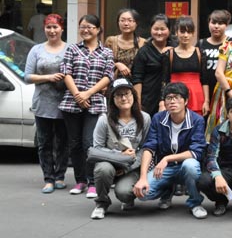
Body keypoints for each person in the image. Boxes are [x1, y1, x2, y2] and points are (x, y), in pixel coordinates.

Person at [133, 82, 208, 219]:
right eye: (169, 98)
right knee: (143, 193)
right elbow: (149, 147)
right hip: (165, 169)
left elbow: (196, 152)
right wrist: (143, 177)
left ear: (186, 101)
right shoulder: (158, 118)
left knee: (190, 166)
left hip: (185, 164)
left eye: (177, 97)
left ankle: (195, 203)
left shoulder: (197, 120)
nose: (172, 101)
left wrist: (167, 158)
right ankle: (167, 190)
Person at [60, 14, 114, 198]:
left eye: (90, 27)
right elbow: (66, 72)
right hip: (71, 102)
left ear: (98, 29)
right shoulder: (72, 49)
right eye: (82, 26)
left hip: (95, 102)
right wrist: (78, 95)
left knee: (89, 143)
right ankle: (80, 180)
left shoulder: (106, 52)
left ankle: (92, 181)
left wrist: (87, 94)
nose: (85, 30)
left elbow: (108, 76)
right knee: (74, 144)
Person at [90, 78, 151, 219]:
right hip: (109, 163)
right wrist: (120, 155)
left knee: (124, 193)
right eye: (118, 95)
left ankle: (128, 197)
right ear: (112, 99)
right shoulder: (104, 120)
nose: (124, 98)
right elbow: (97, 148)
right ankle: (101, 203)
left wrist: (127, 167)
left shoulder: (145, 118)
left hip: (132, 166)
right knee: (103, 169)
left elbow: (146, 148)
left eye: (127, 93)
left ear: (133, 95)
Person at [24, 13, 69, 193]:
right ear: (44, 29)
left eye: (55, 27)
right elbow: (27, 76)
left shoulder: (70, 49)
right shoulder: (36, 50)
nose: (52, 31)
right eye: (48, 27)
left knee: (63, 142)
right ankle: (48, 178)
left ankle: (60, 176)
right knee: (45, 143)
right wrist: (48, 77)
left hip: (65, 103)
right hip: (42, 103)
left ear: (62, 29)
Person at [166, 16, 208, 116]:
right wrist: (162, 101)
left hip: (196, 95)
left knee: (196, 122)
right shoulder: (169, 54)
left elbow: (205, 80)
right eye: (182, 31)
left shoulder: (200, 53)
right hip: (174, 95)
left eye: (189, 32)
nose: (185, 35)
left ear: (193, 34)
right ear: (176, 32)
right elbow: (165, 80)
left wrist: (206, 101)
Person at [130, 14, 172, 115]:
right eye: (156, 29)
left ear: (169, 30)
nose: (159, 32)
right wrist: (138, 103)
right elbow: (137, 78)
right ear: (150, 29)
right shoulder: (144, 51)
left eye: (163, 29)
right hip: (148, 98)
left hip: (171, 97)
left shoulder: (174, 48)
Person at [198, 9, 232, 100]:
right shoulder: (201, 44)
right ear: (208, 23)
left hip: (225, 92)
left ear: (226, 25)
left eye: (220, 23)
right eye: (213, 23)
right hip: (204, 92)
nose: (216, 26)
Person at [104, 8, 146, 79]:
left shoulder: (143, 43)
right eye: (122, 20)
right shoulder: (111, 41)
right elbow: (103, 63)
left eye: (130, 20)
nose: (126, 24)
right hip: (114, 82)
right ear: (118, 22)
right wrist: (117, 64)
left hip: (137, 82)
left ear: (136, 23)